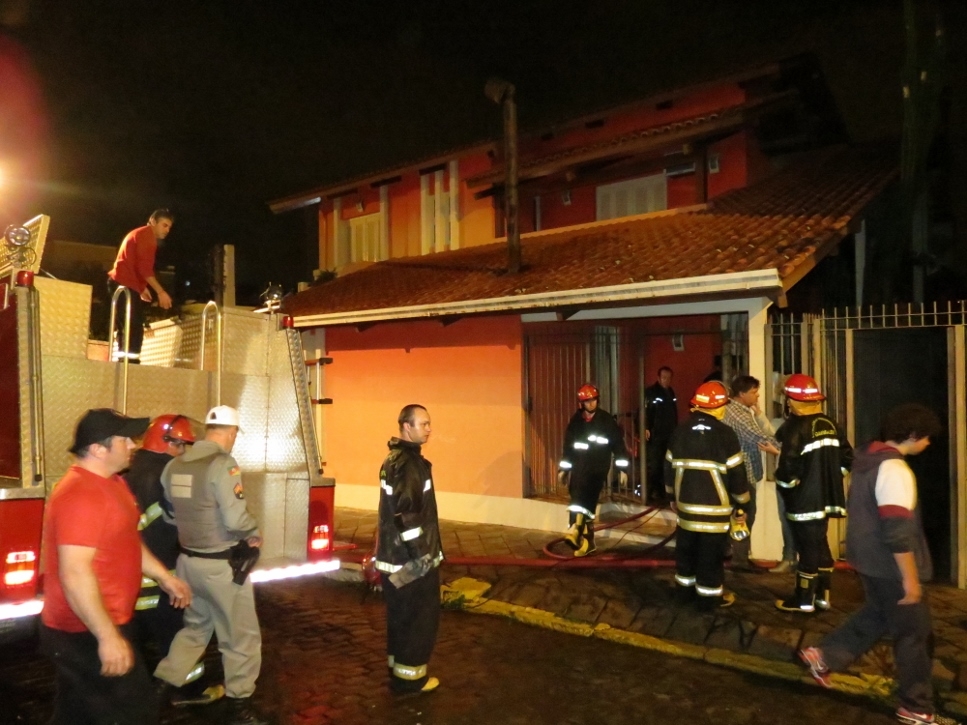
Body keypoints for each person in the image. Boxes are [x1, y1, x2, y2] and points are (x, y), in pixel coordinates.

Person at [799, 404, 960, 725]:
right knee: (915, 636)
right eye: (927, 438)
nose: (929, 444)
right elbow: (897, 530)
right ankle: (916, 707)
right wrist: (911, 579)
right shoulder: (896, 471)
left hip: (868, 560)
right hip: (890, 565)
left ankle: (825, 656)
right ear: (913, 435)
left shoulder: (867, 462)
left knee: (878, 615)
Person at [39, 408, 192, 725]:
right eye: (124, 439)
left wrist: (163, 577)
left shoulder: (114, 484)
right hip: (83, 628)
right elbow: (75, 573)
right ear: (98, 448)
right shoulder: (79, 494)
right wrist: (107, 637)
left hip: (106, 620)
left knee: (77, 712)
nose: (133, 445)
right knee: (135, 711)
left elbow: (128, 540)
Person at [153, 405, 268, 725]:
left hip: (188, 563)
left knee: (196, 628)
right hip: (223, 568)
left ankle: (160, 688)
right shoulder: (223, 464)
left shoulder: (174, 465)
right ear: (231, 433)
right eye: (234, 434)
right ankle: (239, 707)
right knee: (241, 637)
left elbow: (169, 513)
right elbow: (235, 517)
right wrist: (253, 532)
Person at [125, 414, 223, 707]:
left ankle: (131, 688)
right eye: (181, 445)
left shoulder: (132, 467)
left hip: (136, 567)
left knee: (136, 631)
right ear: (166, 441)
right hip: (161, 566)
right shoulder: (167, 473)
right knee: (178, 630)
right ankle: (191, 690)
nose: (183, 452)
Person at [375, 404, 445, 694]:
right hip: (411, 562)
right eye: (423, 424)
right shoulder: (410, 465)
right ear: (407, 426)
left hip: (392, 559)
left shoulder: (393, 460)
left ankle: (398, 669)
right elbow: (407, 516)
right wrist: (421, 557)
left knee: (400, 618)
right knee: (420, 620)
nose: (429, 429)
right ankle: (412, 679)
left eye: (429, 424)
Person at [665, 381, 750, 609]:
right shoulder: (725, 434)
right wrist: (742, 505)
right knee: (710, 557)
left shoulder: (680, 431)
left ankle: (684, 593)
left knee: (686, 553)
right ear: (718, 407)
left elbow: (668, 468)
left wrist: (672, 498)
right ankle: (709, 598)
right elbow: (737, 474)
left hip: (686, 509)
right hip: (716, 511)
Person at [774, 373, 853, 613]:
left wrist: (790, 488)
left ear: (792, 401)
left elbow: (788, 467)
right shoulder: (830, 424)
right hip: (826, 500)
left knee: (807, 548)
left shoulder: (794, 428)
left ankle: (803, 600)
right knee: (820, 544)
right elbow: (848, 458)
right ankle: (822, 597)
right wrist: (830, 478)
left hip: (804, 502)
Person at [557, 384, 631, 557]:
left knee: (583, 495)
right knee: (578, 496)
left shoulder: (606, 421)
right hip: (579, 466)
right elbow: (568, 447)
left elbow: (618, 446)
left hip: (598, 466)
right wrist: (564, 469)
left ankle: (576, 532)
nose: (591, 404)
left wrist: (622, 469)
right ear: (581, 403)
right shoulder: (576, 421)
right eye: (587, 401)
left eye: (594, 400)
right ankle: (588, 542)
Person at [721, 375, 781, 571]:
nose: (757, 396)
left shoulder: (737, 411)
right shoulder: (740, 416)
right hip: (742, 476)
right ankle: (739, 559)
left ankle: (729, 553)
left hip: (738, 474)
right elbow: (764, 438)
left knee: (738, 515)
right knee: (745, 515)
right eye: (754, 392)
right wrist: (788, 449)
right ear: (741, 394)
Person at [107, 209, 174, 363]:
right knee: (134, 328)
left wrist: (141, 288)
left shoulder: (139, 233)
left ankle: (126, 362)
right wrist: (161, 292)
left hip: (123, 283)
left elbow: (133, 263)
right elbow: (144, 269)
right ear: (153, 221)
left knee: (129, 326)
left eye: (169, 227)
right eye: (164, 225)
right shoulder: (147, 236)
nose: (167, 230)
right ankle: (131, 365)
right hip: (124, 285)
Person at [645, 366, 678, 503]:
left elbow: (674, 412)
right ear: (658, 378)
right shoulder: (651, 392)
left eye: (669, 378)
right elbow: (646, 411)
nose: (666, 380)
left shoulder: (670, 392)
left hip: (668, 434)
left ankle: (662, 492)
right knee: (655, 464)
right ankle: (650, 493)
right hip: (656, 434)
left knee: (667, 463)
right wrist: (646, 427)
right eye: (664, 377)